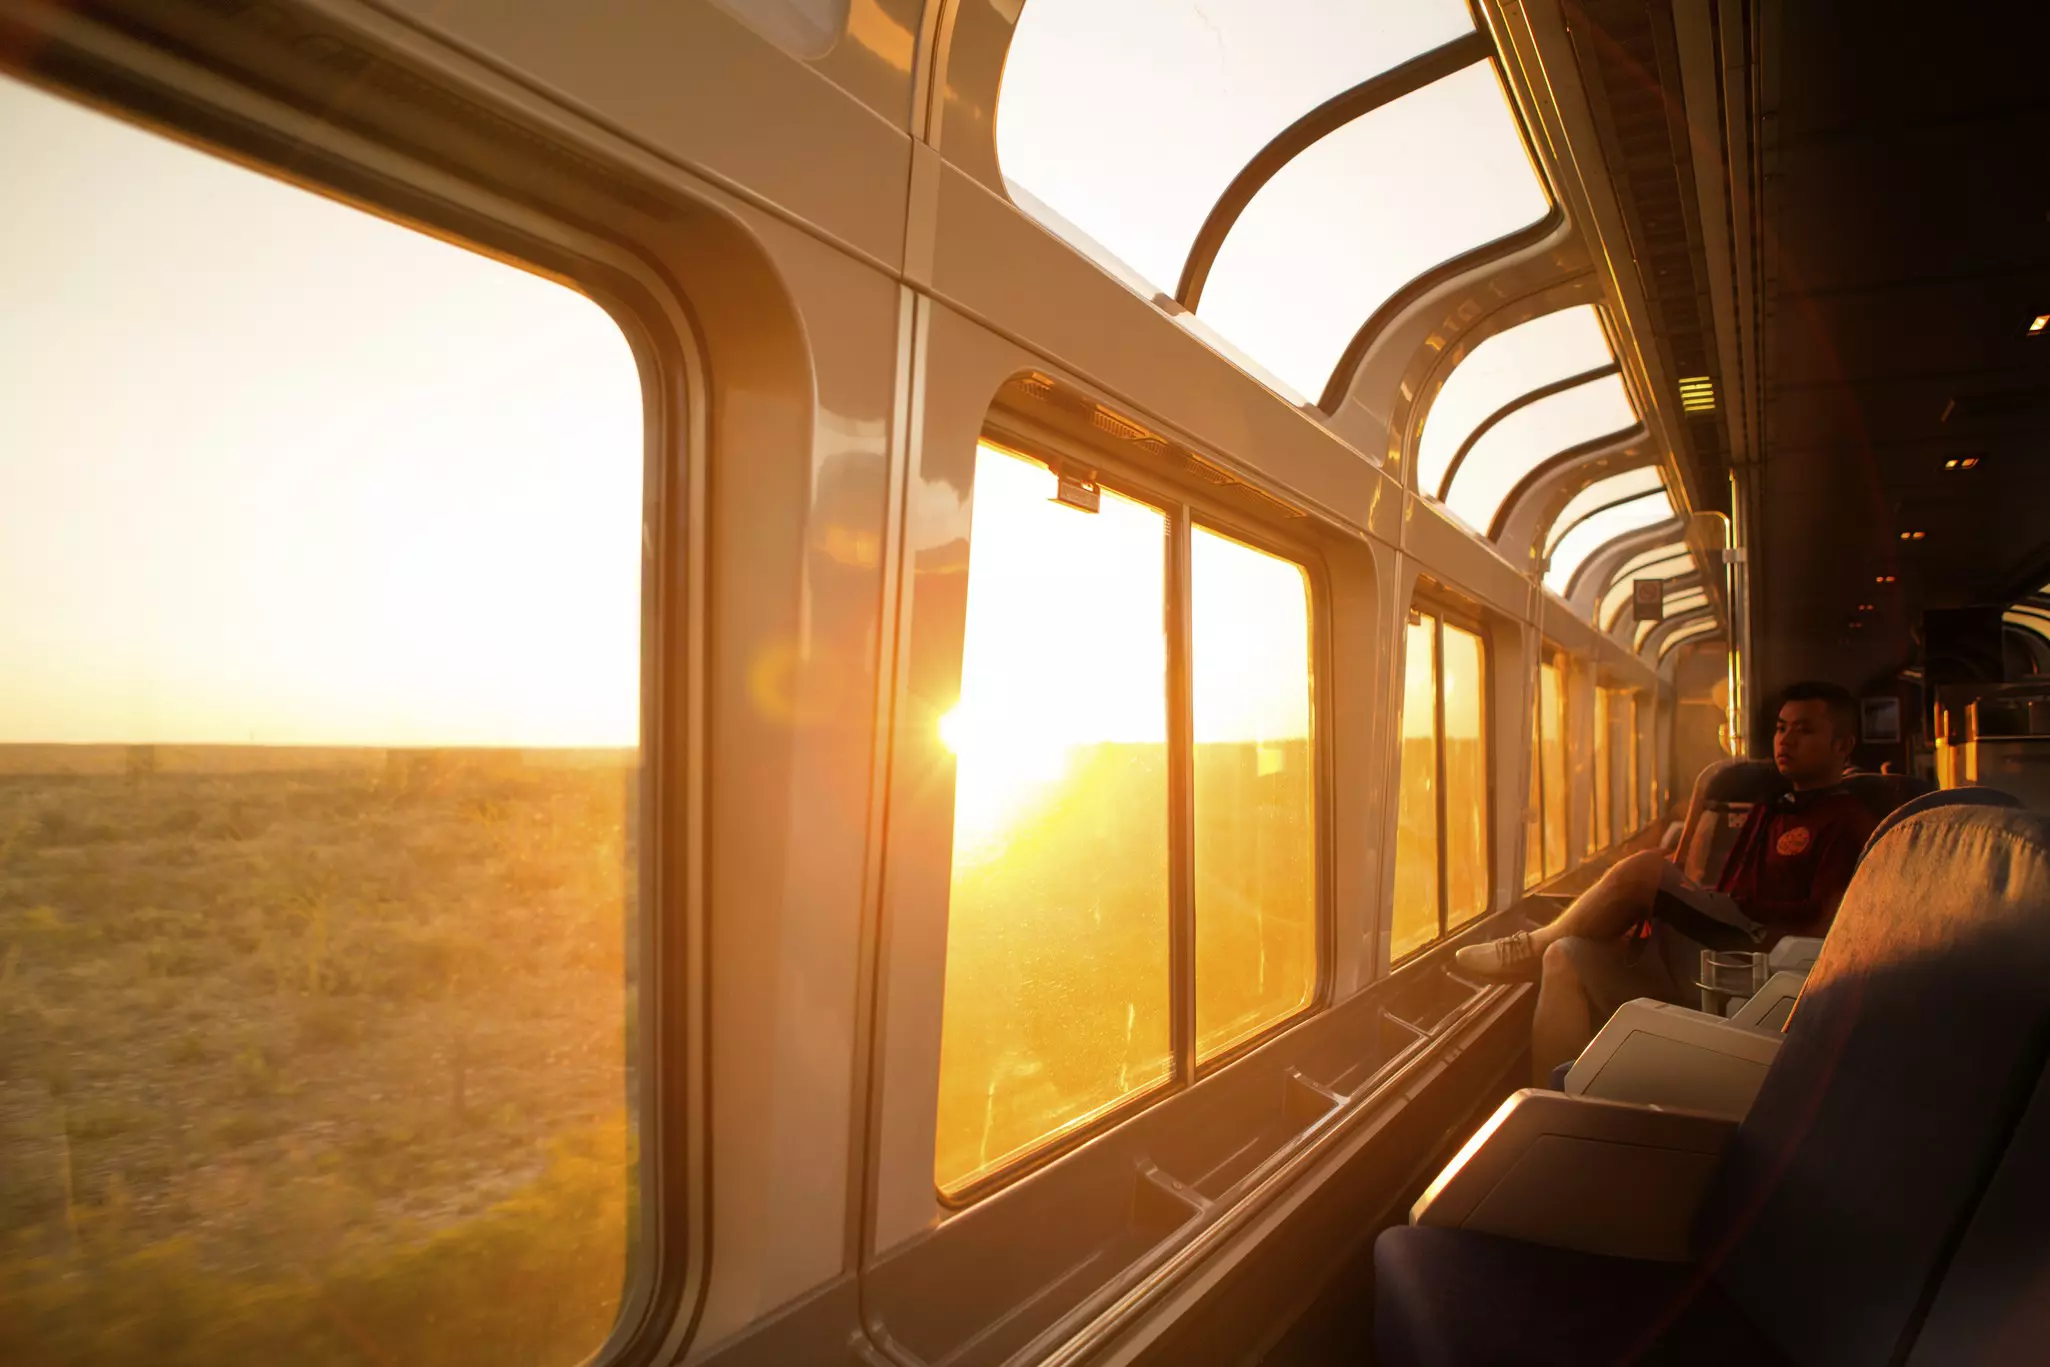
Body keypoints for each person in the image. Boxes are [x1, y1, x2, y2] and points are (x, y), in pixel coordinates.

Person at [1455, 681, 1880, 1085]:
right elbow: (1724, 894)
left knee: (1645, 872)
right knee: (1565, 958)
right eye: (1781, 728)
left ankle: (1531, 947)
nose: (1786, 740)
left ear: (1842, 746)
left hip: (1761, 958)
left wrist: (1723, 902)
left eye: (1805, 730)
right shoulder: (1771, 810)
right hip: (1714, 949)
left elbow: (1826, 925)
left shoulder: (1850, 823)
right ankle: (1548, 1109)